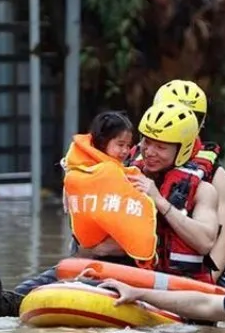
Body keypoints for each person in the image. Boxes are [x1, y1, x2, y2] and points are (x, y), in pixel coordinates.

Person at [130, 80, 225, 290]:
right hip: (137, 270)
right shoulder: (132, 163)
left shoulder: (211, 177)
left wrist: (208, 281)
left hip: (186, 275)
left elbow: (224, 239)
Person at [15, 111, 149, 295]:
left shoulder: (131, 178)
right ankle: (2, 302)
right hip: (84, 259)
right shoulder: (79, 175)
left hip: (118, 266)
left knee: (72, 289)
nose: (125, 151)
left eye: (128, 145)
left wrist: (100, 248)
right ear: (102, 142)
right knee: (24, 289)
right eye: (120, 145)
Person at [127, 100, 220, 284]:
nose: (149, 152)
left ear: (181, 150)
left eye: (161, 147)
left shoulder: (204, 190)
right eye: (147, 142)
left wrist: (159, 201)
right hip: (132, 276)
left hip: (179, 283)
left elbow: (205, 243)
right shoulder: (127, 175)